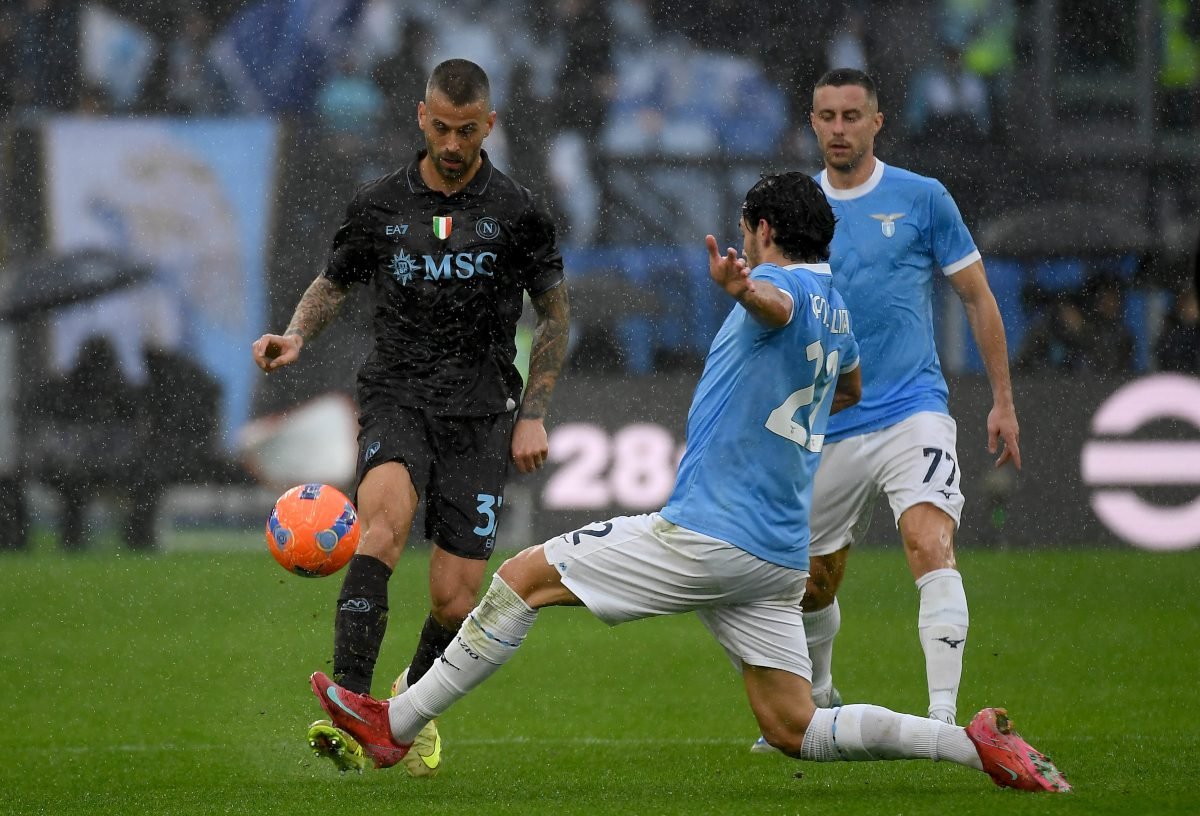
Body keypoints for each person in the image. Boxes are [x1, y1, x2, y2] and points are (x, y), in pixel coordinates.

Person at [306, 172, 1071, 794]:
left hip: (710, 533)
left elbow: (775, 307)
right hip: (776, 557)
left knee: (519, 580)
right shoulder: (837, 308)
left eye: (746, 229)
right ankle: (968, 745)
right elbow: (850, 389)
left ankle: (394, 726)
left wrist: (742, 291)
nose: (744, 242)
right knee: (794, 726)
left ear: (763, 231)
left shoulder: (784, 291)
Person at [251, 59, 570, 778]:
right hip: (396, 396)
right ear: (422, 118)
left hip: (483, 412)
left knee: (455, 600)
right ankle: (349, 701)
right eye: (442, 128)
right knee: (384, 526)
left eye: (467, 131)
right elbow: (334, 283)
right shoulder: (379, 204)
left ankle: (405, 708)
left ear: (489, 126)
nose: (452, 144)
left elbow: (555, 315)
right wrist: (296, 335)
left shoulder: (518, 211)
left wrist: (534, 414)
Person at [748, 68, 1022, 747]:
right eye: (826, 117)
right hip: (828, 418)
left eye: (851, 116)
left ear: (877, 122)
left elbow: (977, 296)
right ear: (812, 123)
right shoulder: (796, 208)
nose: (838, 129)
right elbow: (773, 312)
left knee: (929, 542)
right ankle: (819, 698)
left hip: (910, 408)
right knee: (810, 583)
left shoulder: (922, 198)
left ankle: (943, 719)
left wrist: (1003, 401)